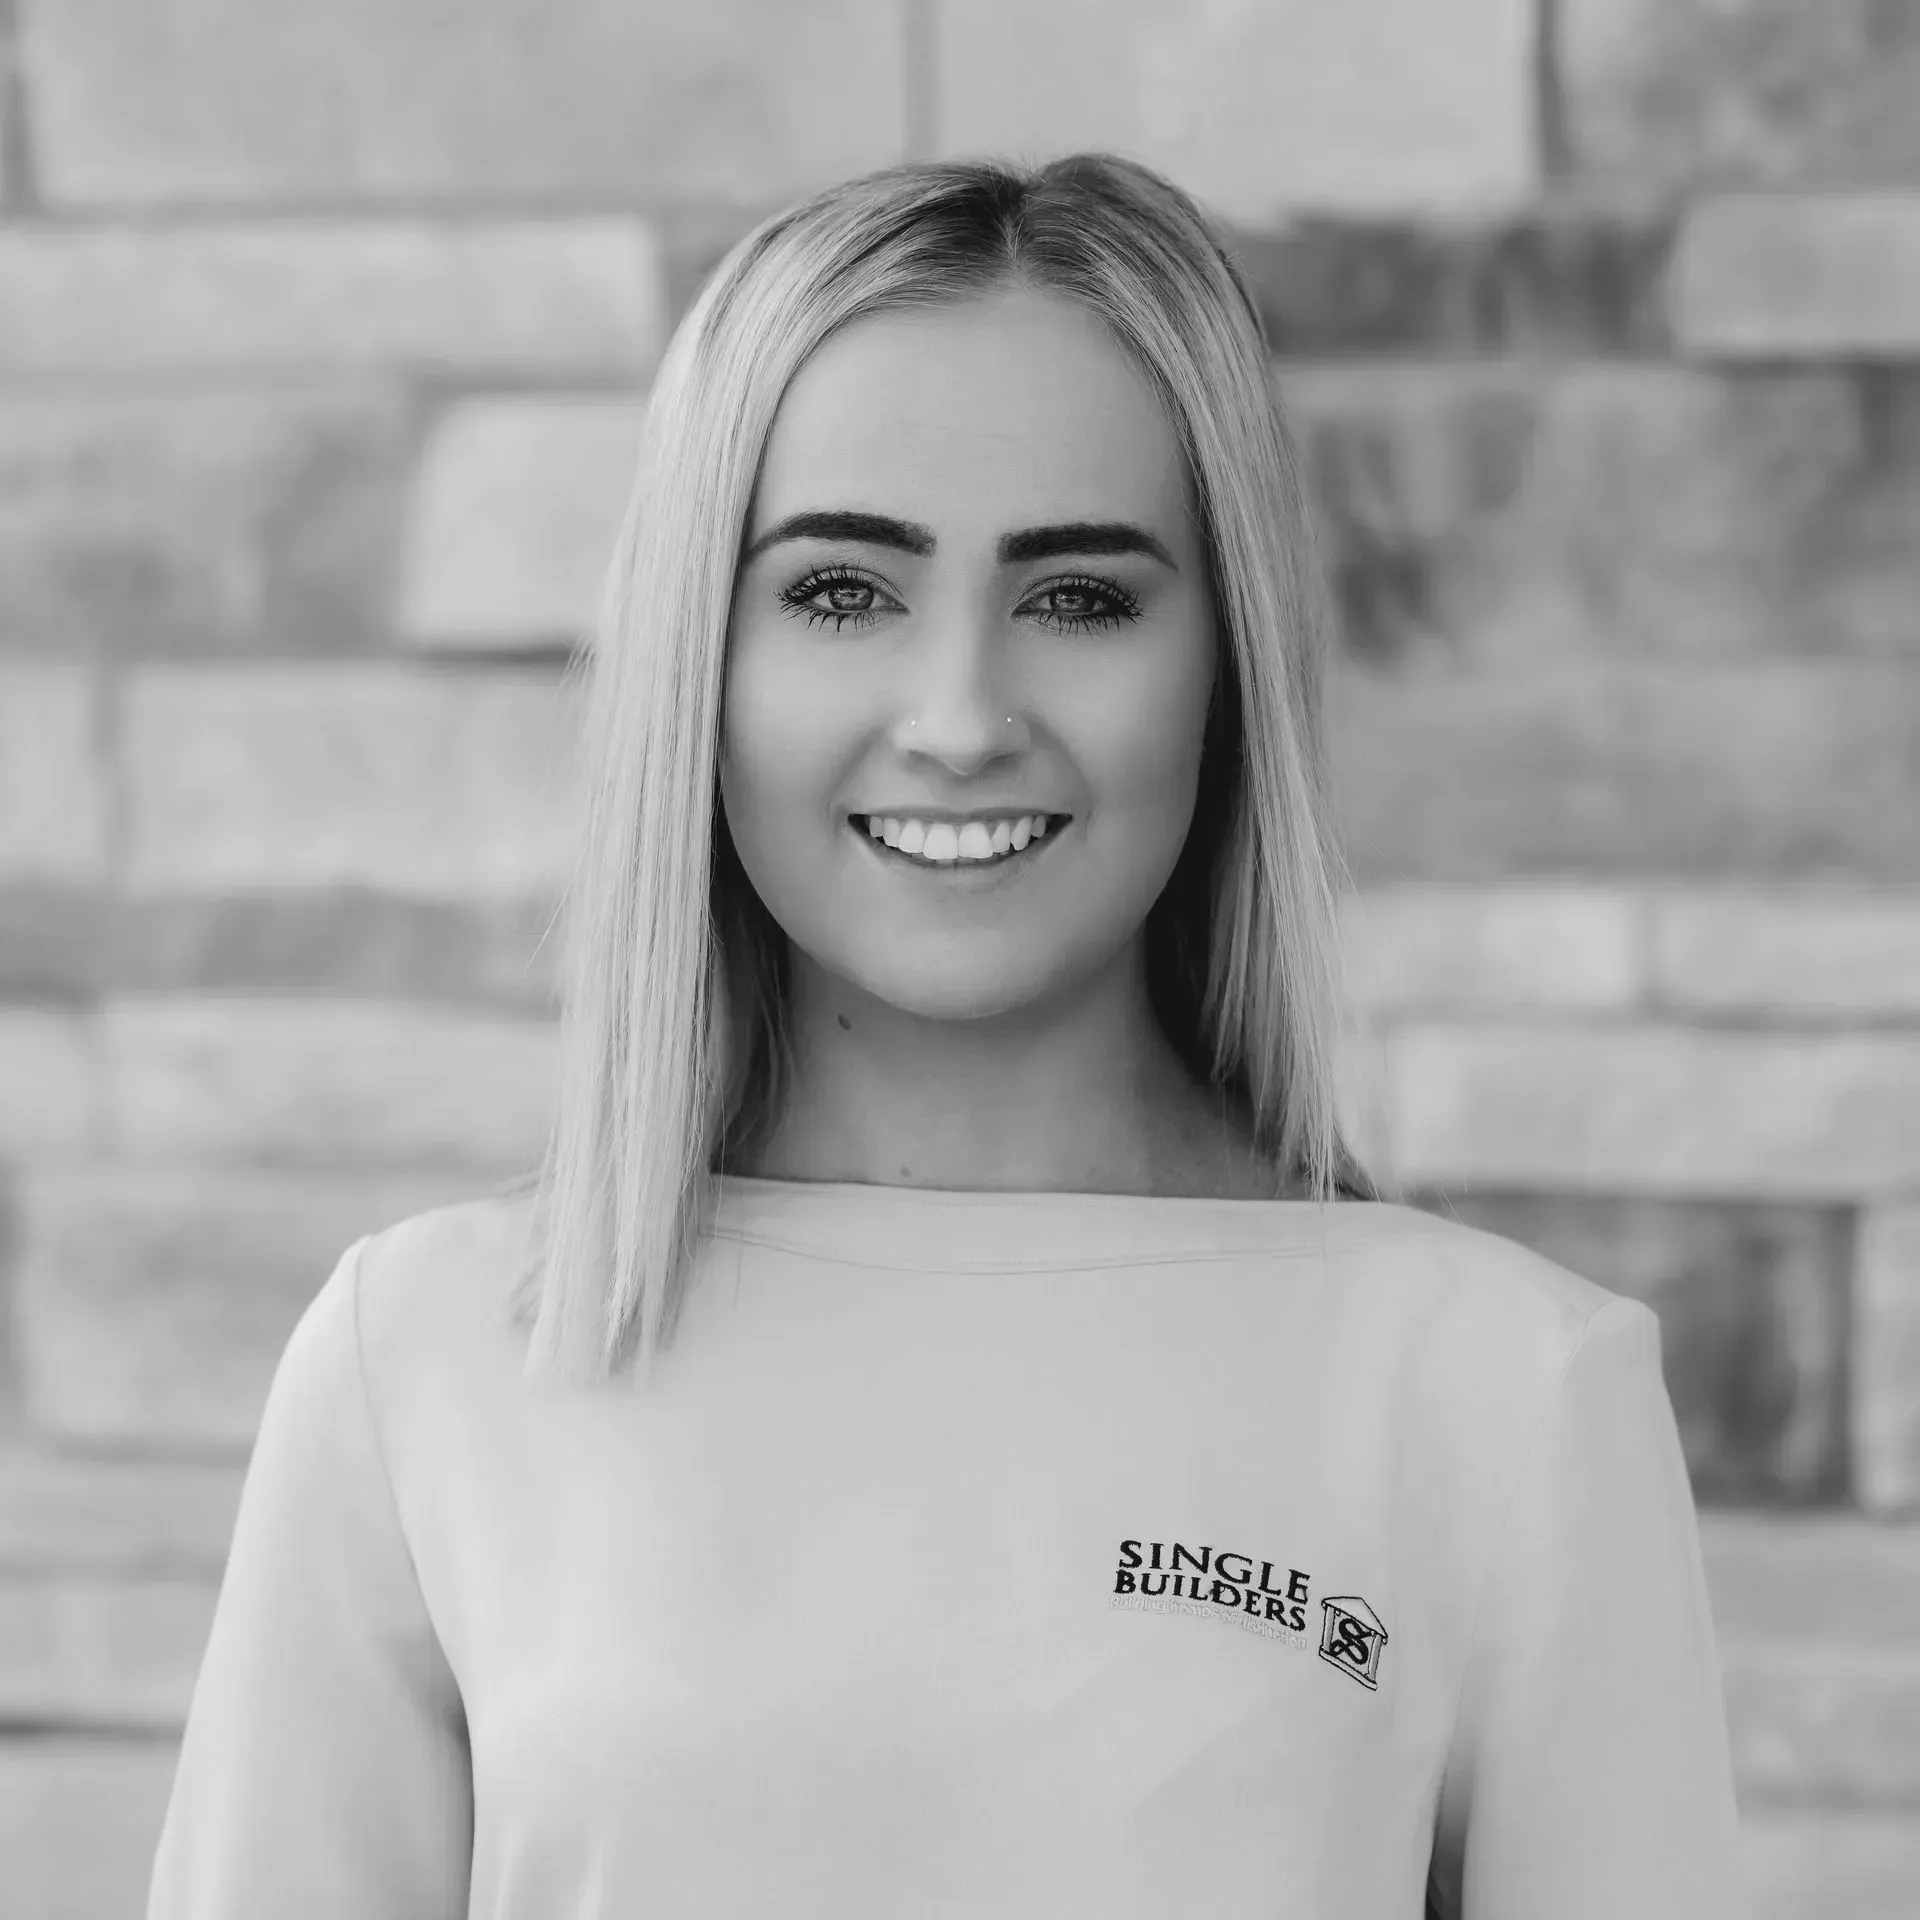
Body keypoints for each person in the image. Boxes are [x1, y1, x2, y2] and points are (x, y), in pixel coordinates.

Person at [146, 153, 1751, 1918]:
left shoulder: (1503, 1395)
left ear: (1227, 669)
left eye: (1079, 597)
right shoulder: (423, 1367)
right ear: (706, 657)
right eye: (843, 591)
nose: (963, 717)